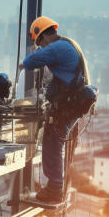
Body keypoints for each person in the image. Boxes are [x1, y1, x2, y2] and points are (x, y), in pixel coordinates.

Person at [19, 16, 90, 203]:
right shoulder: (68, 44)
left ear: (43, 36)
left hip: (67, 106)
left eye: (40, 43)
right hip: (70, 104)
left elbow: (36, 59)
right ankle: (54, 186)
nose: (41, 46)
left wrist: (24, 64)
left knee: (53, 143)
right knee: (53, 142)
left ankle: (55, 188)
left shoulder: (59, 47)